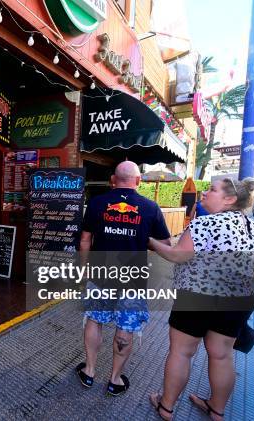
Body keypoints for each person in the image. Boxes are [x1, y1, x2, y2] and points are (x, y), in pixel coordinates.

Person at [148, 178, 254, 420]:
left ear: (230, 199)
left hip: (196, 298)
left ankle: (167, 406)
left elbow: (177, 255)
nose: (205, 193)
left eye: (212, 190)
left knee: (181, 352)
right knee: (222, 356)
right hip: (237, 302)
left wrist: (148, 241)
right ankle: (216, 410)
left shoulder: (204, 225)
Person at [77, 161, 171, 395]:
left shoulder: (97, 203)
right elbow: (166, 244)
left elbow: (85, 240)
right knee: (125, 327)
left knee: (94, 319)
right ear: (138, 181)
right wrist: (142, 238)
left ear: (113, 179)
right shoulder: (150, 207)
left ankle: (89, 371)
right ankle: (114, 379)